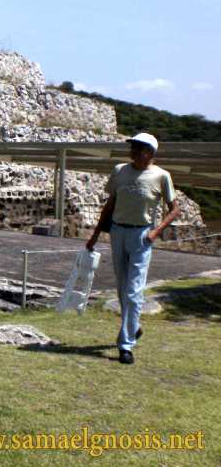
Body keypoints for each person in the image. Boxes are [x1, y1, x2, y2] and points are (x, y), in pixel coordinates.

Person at [86, 133, 180, 365]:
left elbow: (175, 209)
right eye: (133, 147)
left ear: (150, 153)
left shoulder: (161, 176)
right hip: (118, 232)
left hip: (142, 235)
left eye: (140, 148)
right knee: (121, 288)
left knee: (133, 290)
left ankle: (125, 345)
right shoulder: (120, 170)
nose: (134, 151)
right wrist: (96, 234)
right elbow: (110, 203)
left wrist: (156, 232)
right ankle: (134, 326)